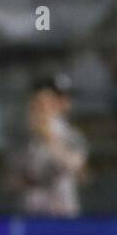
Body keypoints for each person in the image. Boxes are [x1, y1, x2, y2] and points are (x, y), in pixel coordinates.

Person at [8, 75, 88, 217]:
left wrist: (49, 138)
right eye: (36, 105)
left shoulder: (71, 136)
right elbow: (12, 179)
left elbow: (76, 169)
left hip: (61, 210)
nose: (40, 110)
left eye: (45, 105)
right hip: (30, 211)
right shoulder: (23, 137)